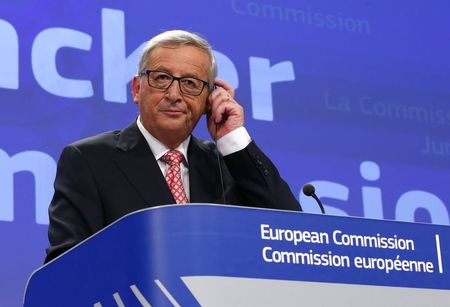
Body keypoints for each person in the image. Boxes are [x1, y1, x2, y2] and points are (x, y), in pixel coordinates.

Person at [45, 30, 301, 263]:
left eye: (190, 83)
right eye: (161, 78)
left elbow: (293, 236)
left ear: (209, 99)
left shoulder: (229, 164)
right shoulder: (89, 160)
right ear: (137, 88)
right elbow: (65, 266)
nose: (174, 94)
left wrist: (232, 137)